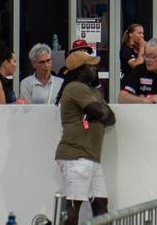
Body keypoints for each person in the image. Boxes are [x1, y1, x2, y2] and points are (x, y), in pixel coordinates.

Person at [55, 49, 116, 225]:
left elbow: (110, 118)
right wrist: (100, 113)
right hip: (76, 155)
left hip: (89, 156)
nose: (96, 69)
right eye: (91, 66)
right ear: (80, 70)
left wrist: (100, 112)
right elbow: (103, 114)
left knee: (100, 203)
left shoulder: (91, 91)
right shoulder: (75, 88)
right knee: (74, 206)